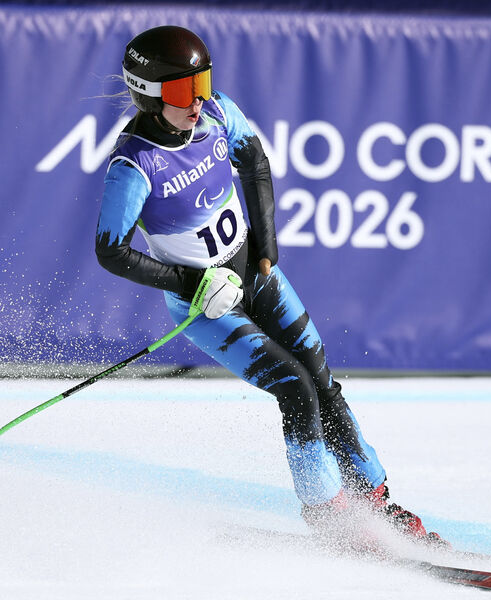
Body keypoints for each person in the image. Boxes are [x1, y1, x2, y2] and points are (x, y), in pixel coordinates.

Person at [96, 25, 446, 549]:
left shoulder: (216, 113)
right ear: (149, 94)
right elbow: (111, 251)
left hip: (255, 277)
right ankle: (327, 514)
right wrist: (191, 282)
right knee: (295, 388)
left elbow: (254, 161)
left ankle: (374, 499)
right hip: (208, 306)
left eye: (203, 83)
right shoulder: (134, 164)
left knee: (322, 379)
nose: (197, 101)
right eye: (183, 91)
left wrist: (266, 244)